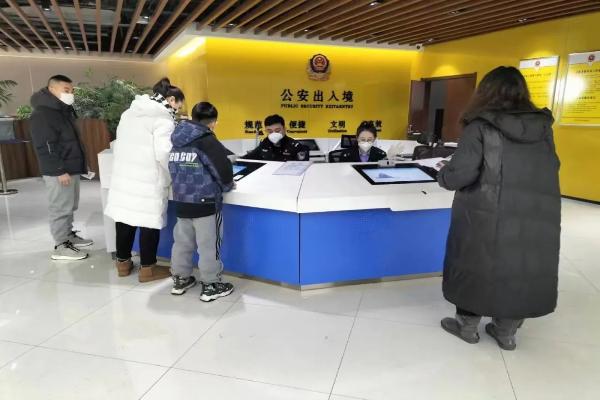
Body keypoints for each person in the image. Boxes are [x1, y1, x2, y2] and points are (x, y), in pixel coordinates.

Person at [436, 66, 561, 351]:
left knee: (475, 263)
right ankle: (506, 331)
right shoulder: (543, 128)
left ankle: (467, 327)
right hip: (534, 214)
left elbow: (460, 175)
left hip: (483, 213)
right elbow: (552, 166)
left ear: (485, 91)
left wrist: (443, 173)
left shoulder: (479, 126)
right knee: (520, 266)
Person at [104, 78, 184, 282]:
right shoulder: (163, 119)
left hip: (124, 177)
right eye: (178, 106)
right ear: (171, 100)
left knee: (124, 219)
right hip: (148, 179)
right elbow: (164, 154)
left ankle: (123, 264)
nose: (178, 110)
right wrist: (174, 175)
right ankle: (148, 269)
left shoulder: (128, 113)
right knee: (149, 222)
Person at [168, 102, 235, 302]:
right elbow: (222, 169)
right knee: (208, 246)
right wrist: (228, 185)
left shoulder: (177, 138)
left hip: (182, 200)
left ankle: (180, 279)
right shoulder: (207, 140)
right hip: (205, 203)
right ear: (213, 122)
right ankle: (211, 285)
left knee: (182, 243)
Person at [30, 74, 93, 261]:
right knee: (60, 207)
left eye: (71, 90)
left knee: (69, 205)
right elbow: (45, 146)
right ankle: (60, 245)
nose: (70, 93)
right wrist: (59, 170)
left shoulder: (62, 110)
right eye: (66, 90)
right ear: (52, 89)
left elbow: (71, 141)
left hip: (70, 167)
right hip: (59, 170)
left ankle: (68, 236)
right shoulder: (42, 113)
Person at [243, 114, 309, 161]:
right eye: (270, 131)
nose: (274, 134)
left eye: (277, 130)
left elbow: (302, 167)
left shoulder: (295, 146)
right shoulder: (265, 143)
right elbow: (249, 157)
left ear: (284, 129)